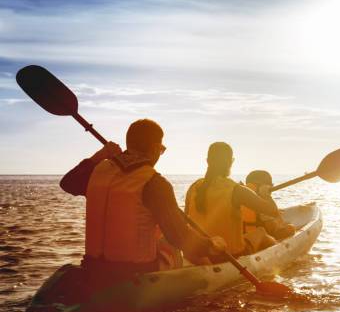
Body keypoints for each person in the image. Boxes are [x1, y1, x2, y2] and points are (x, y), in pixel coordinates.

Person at [60, 119, 227, 280]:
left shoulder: (99, 171)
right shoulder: (155, 183)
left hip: (93, 268)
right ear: (155, 148)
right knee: (168, 244)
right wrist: (210, 245)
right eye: (161, 149)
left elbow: (68, 183)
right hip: (134, 273)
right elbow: (178, 237)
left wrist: (100, 155)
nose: (160, 154)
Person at [184, 142, 278, 258]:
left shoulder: (194, 187)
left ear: (208, 161)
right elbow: (273, 211)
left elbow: (185, 220)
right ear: (231, 162)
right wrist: (266, 194)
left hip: (198, 255)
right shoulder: (236, 190)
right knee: (261, 232)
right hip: (229, 255)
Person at [242, 170, 296, 241]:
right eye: (271, 185)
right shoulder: (263, 204)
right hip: (261, 239)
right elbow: (273, 231)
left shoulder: (241, 196)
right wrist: (267, 197)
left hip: (244, 236)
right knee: (291, 228)